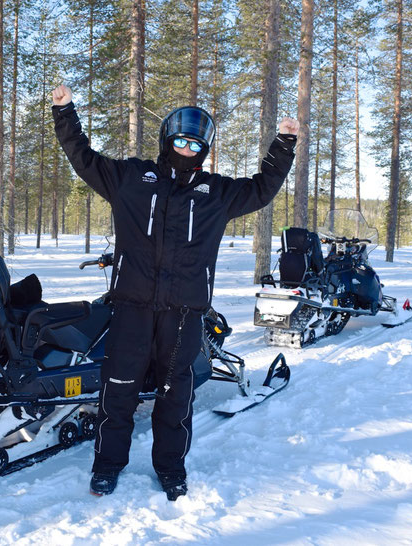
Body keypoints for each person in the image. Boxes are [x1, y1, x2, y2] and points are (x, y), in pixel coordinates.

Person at [52, 84, 298, 500]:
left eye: (195, 143)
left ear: (204, 149)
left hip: (183, 315)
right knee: (120, 391)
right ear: (168, 139)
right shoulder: (131, 179)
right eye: (181, 140)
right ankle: (107, 467)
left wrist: (284, 144)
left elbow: (262, 187)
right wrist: (64, 112)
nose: (187, 148)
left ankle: (171, 469)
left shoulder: (216, 194)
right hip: (131, 307)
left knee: (174, 397)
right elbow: (83, 157)